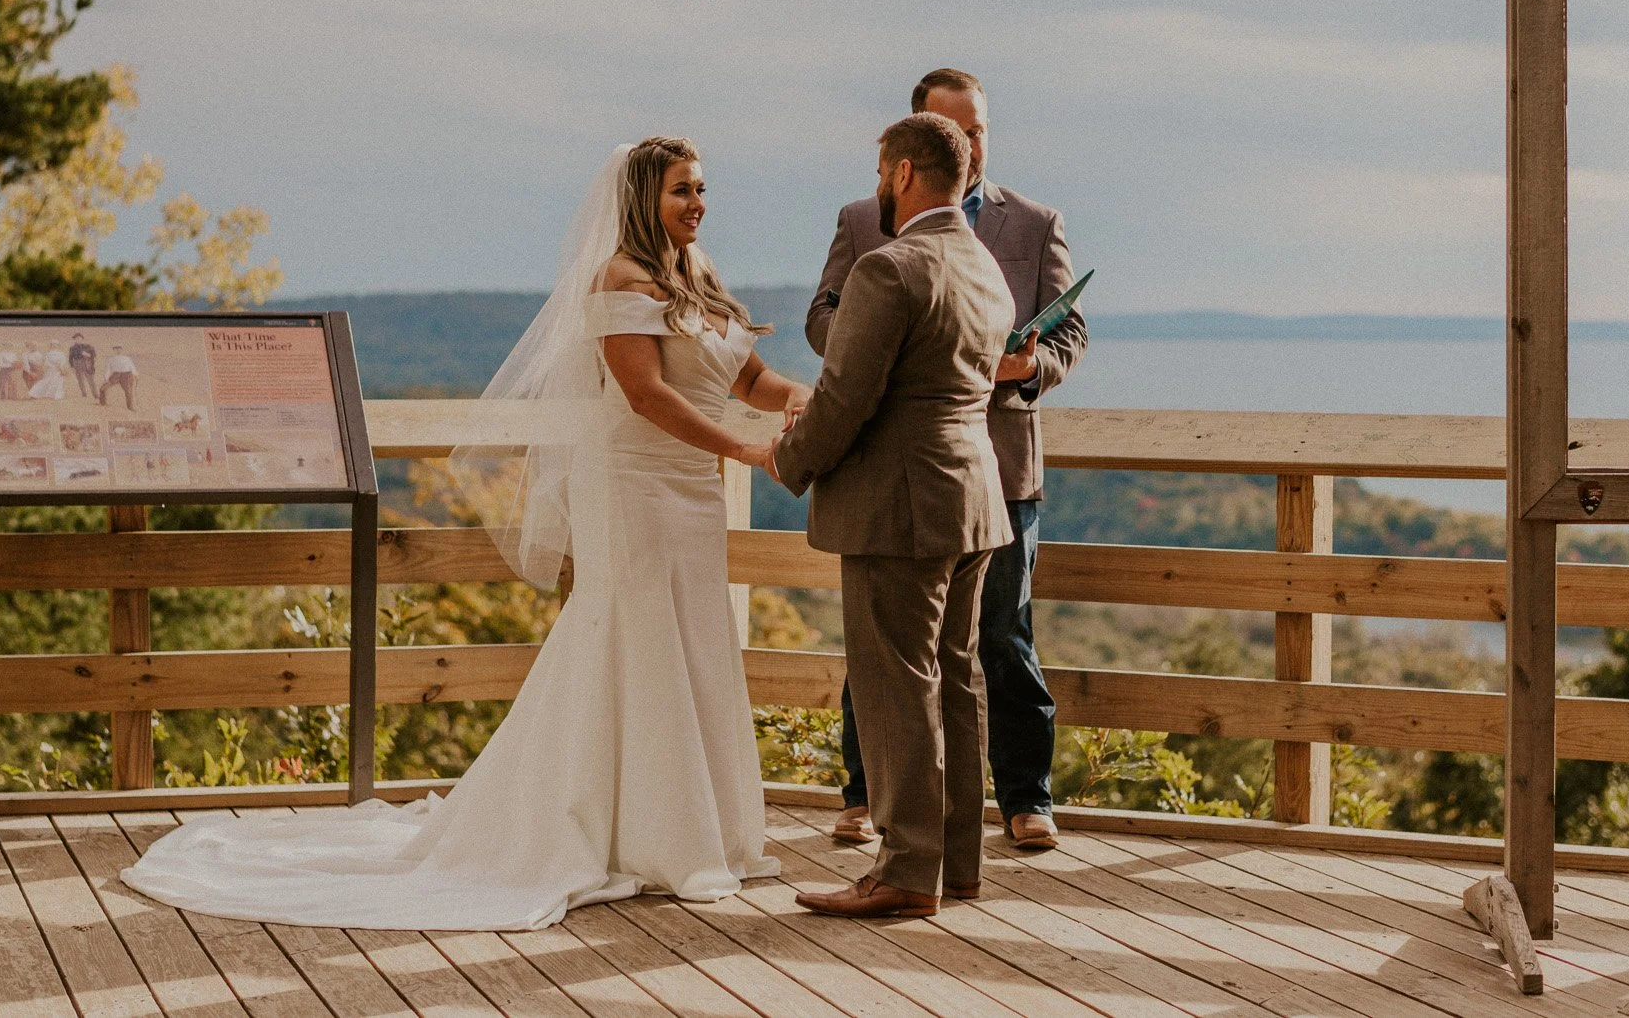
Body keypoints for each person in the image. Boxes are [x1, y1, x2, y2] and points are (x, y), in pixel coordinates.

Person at [121, 136, 803, 931]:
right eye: (682, 190)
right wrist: (749, 450)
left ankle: (701, 827)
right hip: (640, 487)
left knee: (696, 640)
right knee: (641, 638)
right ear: (642, 198)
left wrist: (807, 401)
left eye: (701, 189)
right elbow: (647, 395)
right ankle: (653, 834)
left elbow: (749, 379)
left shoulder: (701, 278)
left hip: (691, 495)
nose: (698, 204)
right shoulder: (618, 279)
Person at [808, 68, 1086, 853]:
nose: (972, 145)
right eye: (956, 131)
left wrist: (1027, 368)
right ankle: (870, 794)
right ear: (920, 140)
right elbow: (825, 315)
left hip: (1001, 462)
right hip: (896, 461)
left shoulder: (1033, 223)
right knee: (890, 645)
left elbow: (1069, 333)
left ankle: (1024, 796)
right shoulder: (866, 219)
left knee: (996, 637)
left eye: (981, 130)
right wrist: (882, 354)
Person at [771, 113, 1013, 918]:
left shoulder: (889, 268)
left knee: (897, 684)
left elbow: (845, 397)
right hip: (973, 500)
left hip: (899, 506)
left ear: (905, 173)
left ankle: (908, 869)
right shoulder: (984, 267)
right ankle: (958, 864)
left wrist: (790, 460)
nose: (878, 184)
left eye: (881, 170)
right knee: (956, 679)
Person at [67, 332, 99, 401]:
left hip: (87, 364)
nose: (78, 340)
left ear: (82, 339)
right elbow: (70, 358)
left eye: (79, 338)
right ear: (74, 340)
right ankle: (84, 394)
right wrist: (72, 367)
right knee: (80, 381)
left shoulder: (88, 346)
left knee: (91, 380)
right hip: (77, 365)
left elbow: (94, 355)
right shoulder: (72, 348)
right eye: (76, 339)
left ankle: (96, 395)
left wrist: (88, 355)